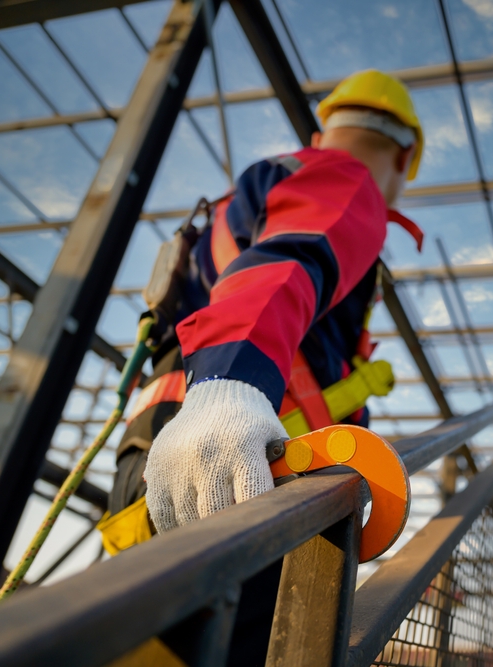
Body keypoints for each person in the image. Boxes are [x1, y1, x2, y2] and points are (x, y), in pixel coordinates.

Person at [104, 67, 424, 545]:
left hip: (168, 454)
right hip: (239, 459)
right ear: (406, 156)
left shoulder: (260, 189)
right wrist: (230, 384)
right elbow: (285, 264)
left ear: (321, 134)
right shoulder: (345, 179)